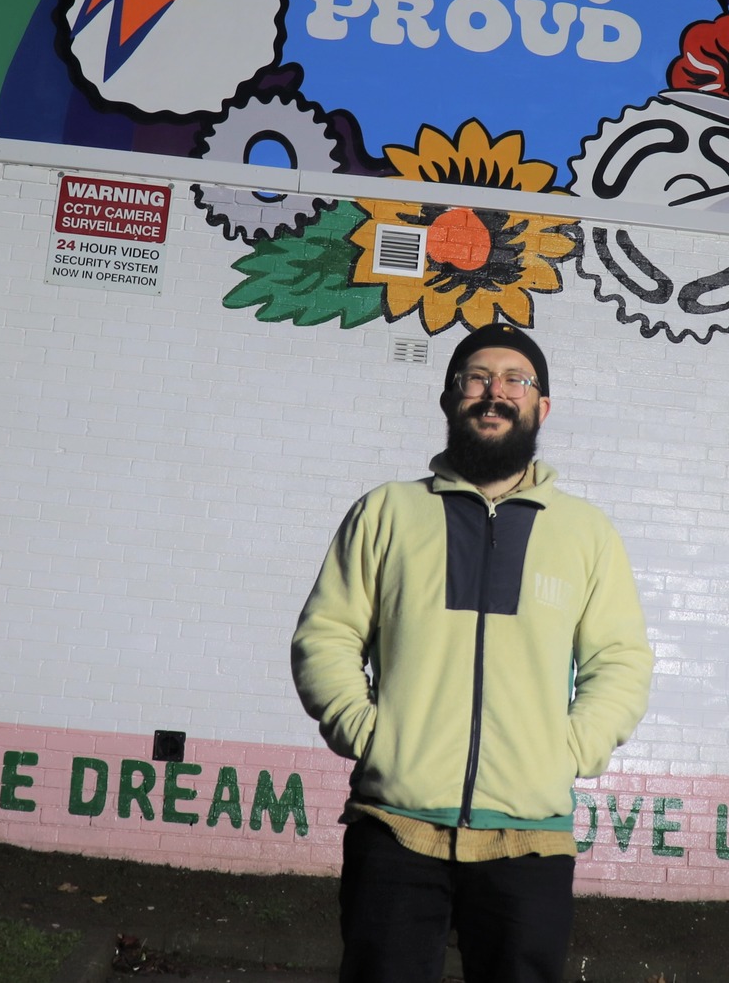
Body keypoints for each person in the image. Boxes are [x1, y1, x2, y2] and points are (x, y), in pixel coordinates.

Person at [292, 323, 653, 983]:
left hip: (531, 838)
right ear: (449, 396)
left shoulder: (586, 532)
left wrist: (567, 751)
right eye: (477, 377)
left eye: (516, 378)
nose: (495, 392)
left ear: (542, 406)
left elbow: (621, 662)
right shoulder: (387, 512)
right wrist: (371, 732)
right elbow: (327, 633)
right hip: (396, 829)